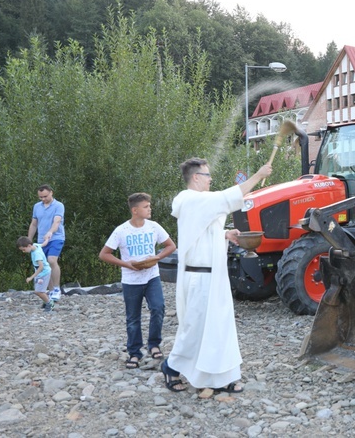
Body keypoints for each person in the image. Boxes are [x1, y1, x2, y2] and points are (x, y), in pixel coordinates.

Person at [161, 158, 272, 393]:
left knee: (218, 328)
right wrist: (258, 175)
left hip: (211, 276)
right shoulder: (191, 200)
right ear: (196, 177)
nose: (211, 179)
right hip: (200, 277)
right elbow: (226, 198)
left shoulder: (197, 204)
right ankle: (170, 367)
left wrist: (223, 234)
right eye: (208, 175)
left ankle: (219, 378)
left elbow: (201, 231)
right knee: (195, 328)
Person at [99, 193, 176, 369]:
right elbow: (104, 254)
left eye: (149, 206)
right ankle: (134, 353)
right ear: (135, 210)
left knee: (158, 308)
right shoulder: (121, 231)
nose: (150, 209)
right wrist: (125, 264)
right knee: (133, 318)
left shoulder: (154, 227)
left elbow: (171, 246)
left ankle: (154, 344)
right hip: (131, 280)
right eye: (146, 206)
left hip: (152, 277)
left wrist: (157, 257)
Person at [27, 184, 65, 302]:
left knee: (51, 260)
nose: (43, 199)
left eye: (45, 196)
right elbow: (34, 224)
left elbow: (57, 221)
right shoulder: (37, 207)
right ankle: (51, 290)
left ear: (51, 192)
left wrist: (50, 232)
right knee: (43, 265)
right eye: (40, 197)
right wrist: (29, 240)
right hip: (40, 241)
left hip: (56, 237)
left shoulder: (58, 206)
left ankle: (57, 289)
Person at [17, 236, 54, 311]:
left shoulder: (37, 254)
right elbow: (43, 244)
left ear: (29, 246)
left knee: (38, 291)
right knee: (39, 290)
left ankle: (49, 304)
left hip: (44, 273)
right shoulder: (36, 245)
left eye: (24, 249)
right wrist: (47, 239)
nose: (23, 251)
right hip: (40, 273)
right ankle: (46, 300)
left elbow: (41, 267)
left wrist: (31, 277)